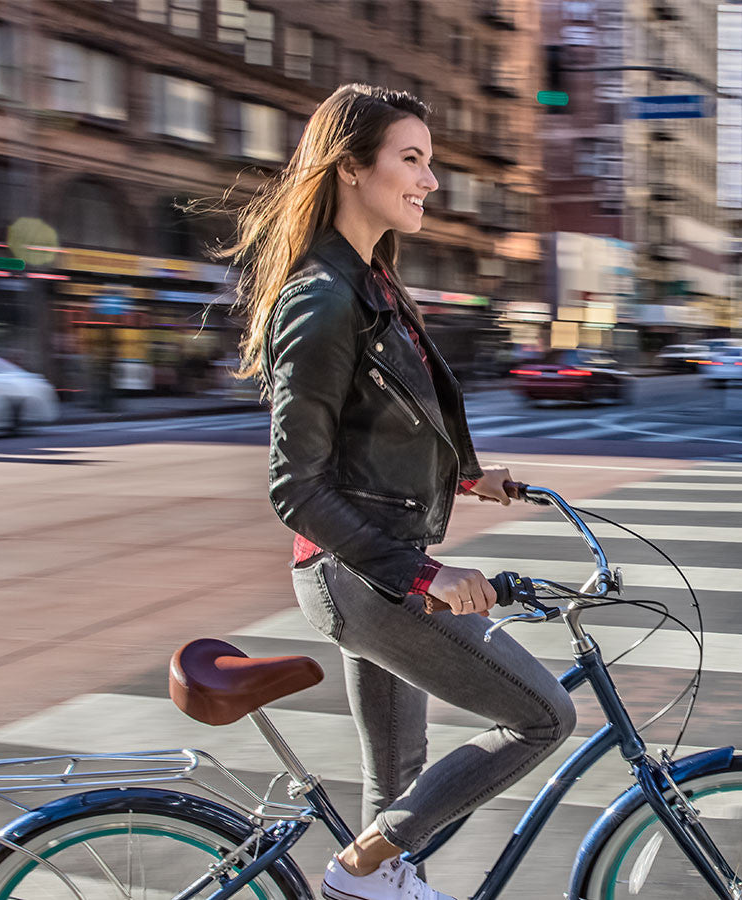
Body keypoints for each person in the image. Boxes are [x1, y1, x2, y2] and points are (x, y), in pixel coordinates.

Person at [227, 84, 576, 900]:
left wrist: (467, 475)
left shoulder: (373, 284)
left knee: (396, 796)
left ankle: (372, 881)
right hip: (363, 575)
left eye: (430, 162)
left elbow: (378, 422)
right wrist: (424, 578)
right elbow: (297, 486)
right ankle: (352, 872)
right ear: (351, 168)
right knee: (542, 718)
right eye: (410, 159)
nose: (430, 180)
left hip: (377, 567)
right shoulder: (322, 296)